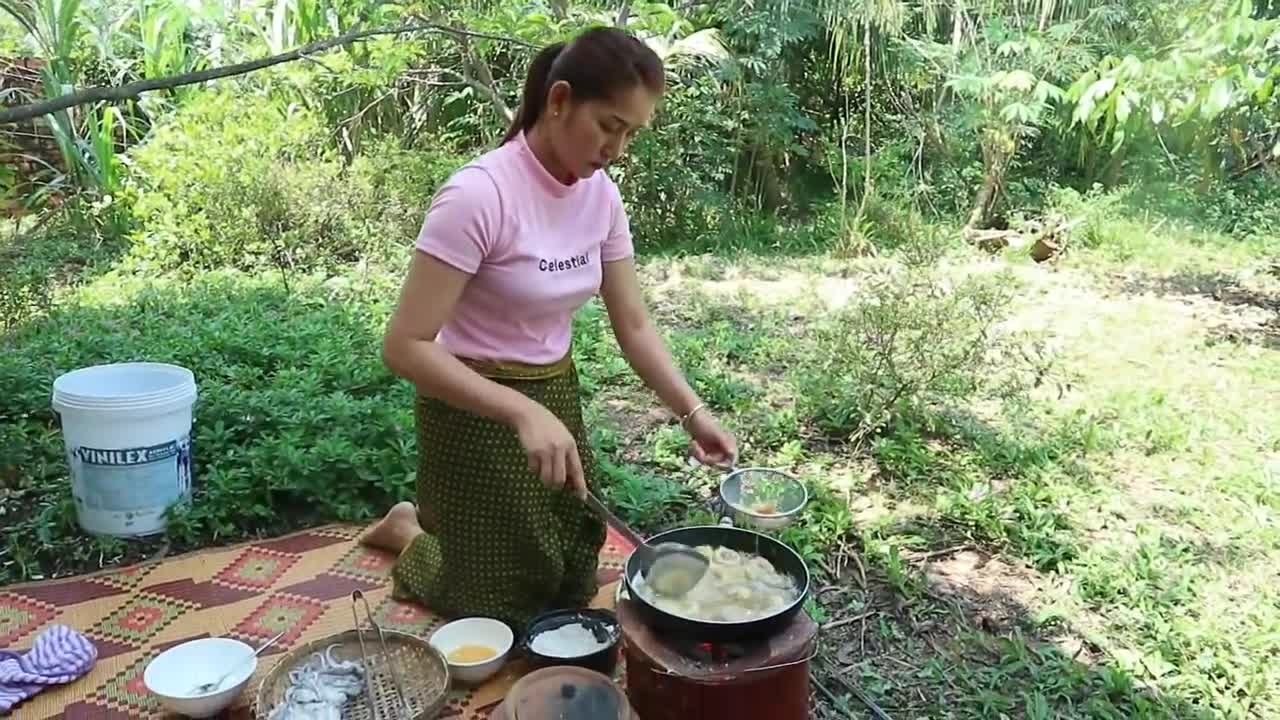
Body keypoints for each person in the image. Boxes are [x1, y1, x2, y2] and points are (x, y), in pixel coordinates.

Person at [360, 26, 737, 629]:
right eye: (608, 125)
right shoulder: (477, 197)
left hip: (553, 388)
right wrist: (518, 411)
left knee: (567, 574)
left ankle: (434, 527)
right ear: (558, 101)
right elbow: (404, 346)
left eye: (630, 133)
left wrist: (692, 412)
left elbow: (633, 323)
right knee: (489, 605)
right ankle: (411, 532)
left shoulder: (601, 198)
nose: (616, 148)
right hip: (471, 399)